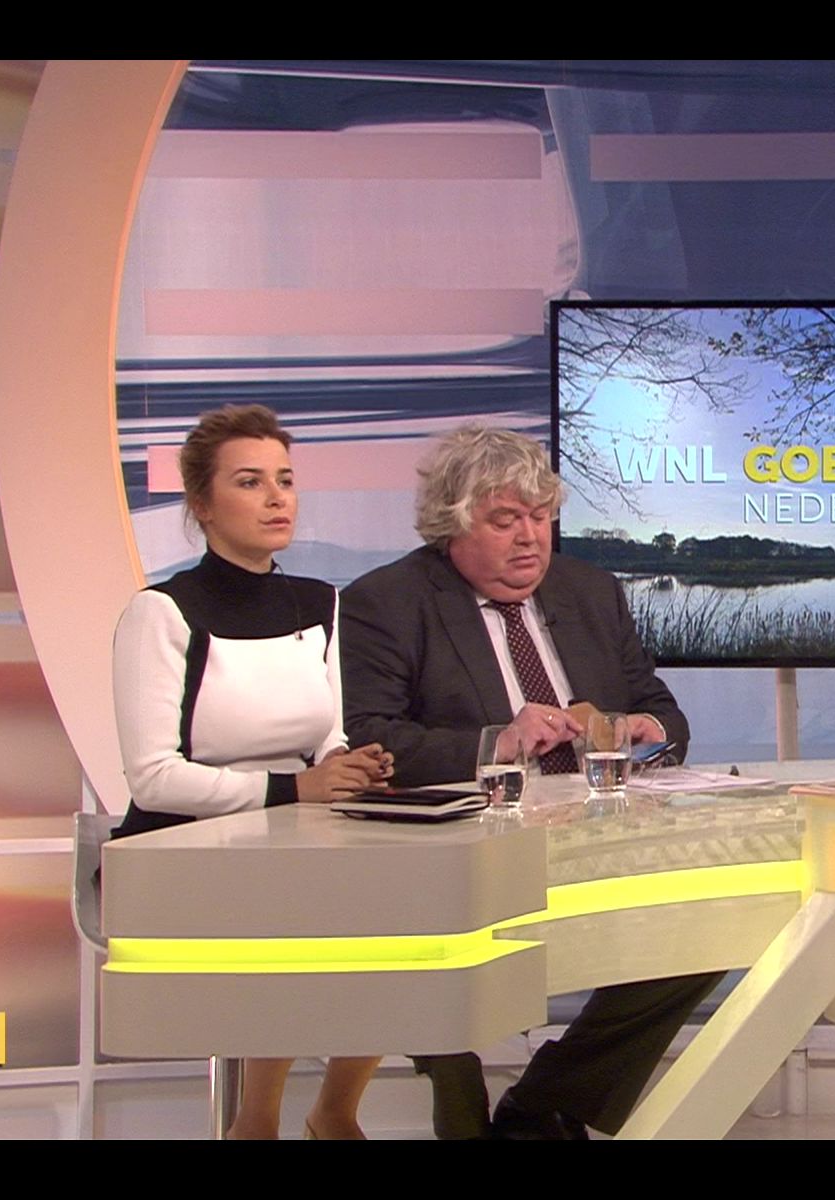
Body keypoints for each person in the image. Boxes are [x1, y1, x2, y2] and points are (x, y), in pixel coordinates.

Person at [341, 424, 714, 1140]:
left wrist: (643, 728)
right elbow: (376, 741)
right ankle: (457, 1077)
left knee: (704, 926)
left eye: (540, 517)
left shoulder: (591, 591)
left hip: (597, 841)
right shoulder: (387, 601)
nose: (529, 538)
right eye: (505, 520)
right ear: (452, 525)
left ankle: (546, 1105)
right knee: (422, 934)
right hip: (469, 855)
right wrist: (500, 743)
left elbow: (665, 713)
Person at [110, 403, 393, 1139]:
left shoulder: (319, 602)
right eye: (250, 482)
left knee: (401, 914)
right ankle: (256, 1121)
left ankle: (336, 1111)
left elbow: (325, 733)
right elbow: (153, 779)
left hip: (293, 840)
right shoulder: (162, 613)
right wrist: (294, 788)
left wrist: (346, 765)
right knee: (295, 916)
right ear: (201, 505)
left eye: (285, 480)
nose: (276, 499)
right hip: (177, 850)